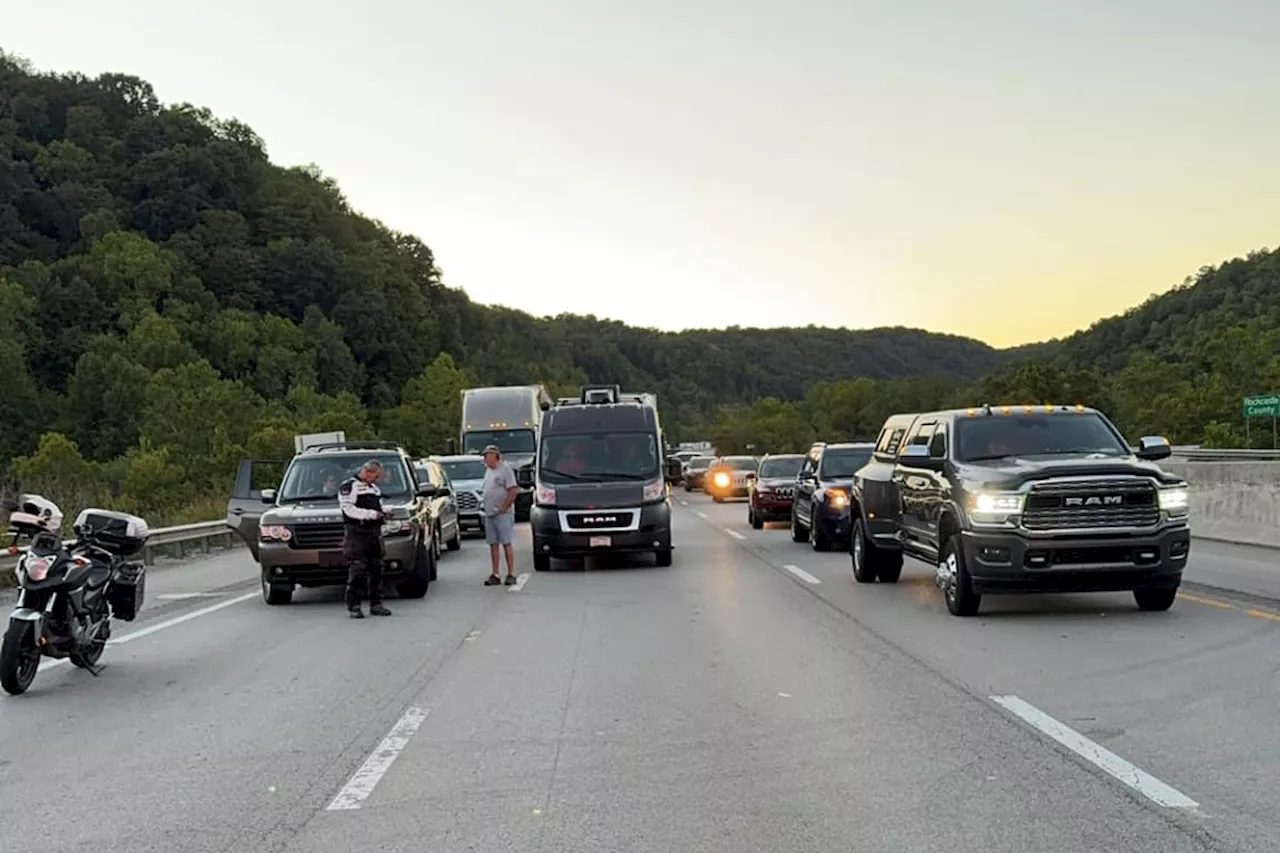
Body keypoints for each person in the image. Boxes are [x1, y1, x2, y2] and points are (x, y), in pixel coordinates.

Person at [338, 459, 392, 618]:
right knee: (358, 569)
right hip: (357, 533)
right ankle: (354, 605)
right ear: (367, 472)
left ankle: (376, 604)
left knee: (377, 568)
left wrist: (384, 513)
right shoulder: (349, 486)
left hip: (374, 533)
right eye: (375, 476)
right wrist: (371, 515)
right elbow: (348, 510)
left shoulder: (373, 489)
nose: (377, 480)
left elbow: (377, 508)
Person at [480, 444, 519, 586]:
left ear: (494, 456)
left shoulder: (505, 469)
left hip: (502, 513)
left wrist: (505, 507)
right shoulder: (488, 471)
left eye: (487, 456)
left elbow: (513, 489)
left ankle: (511, 573)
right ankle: (495, 573)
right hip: (490, 513)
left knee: (506, 542)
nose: (484, 459)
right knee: (493, 544)